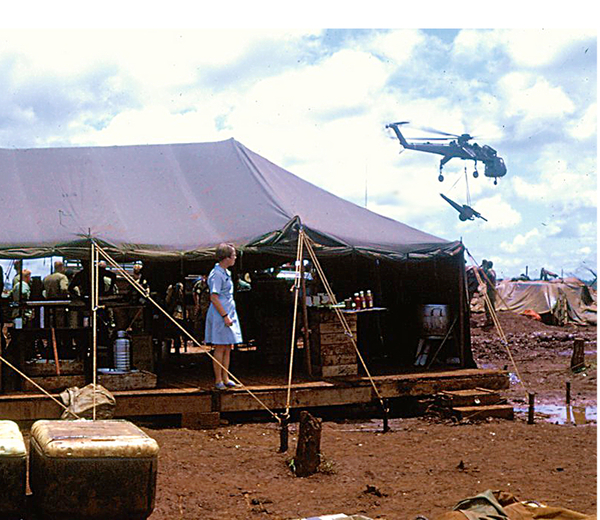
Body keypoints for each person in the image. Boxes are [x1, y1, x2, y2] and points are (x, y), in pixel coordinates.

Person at [205, 243, 243, 389]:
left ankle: (226, 377)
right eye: (233, 255)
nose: (235, 258)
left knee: (228, 346)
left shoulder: (226, 273)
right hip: (221, 314)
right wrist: (224, 315)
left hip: (229, 312)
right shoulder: (216, 274)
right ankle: (218, 379)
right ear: (226, 258)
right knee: (220, 346)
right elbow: (214, 297)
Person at [481, 260, 497, 327]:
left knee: (487, 305)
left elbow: (486, 278)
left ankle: (489, 320)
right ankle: (493, 320)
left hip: (490, 290)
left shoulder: (490, 272)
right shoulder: (493, 271)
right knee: (492, 305)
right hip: (492, 290)